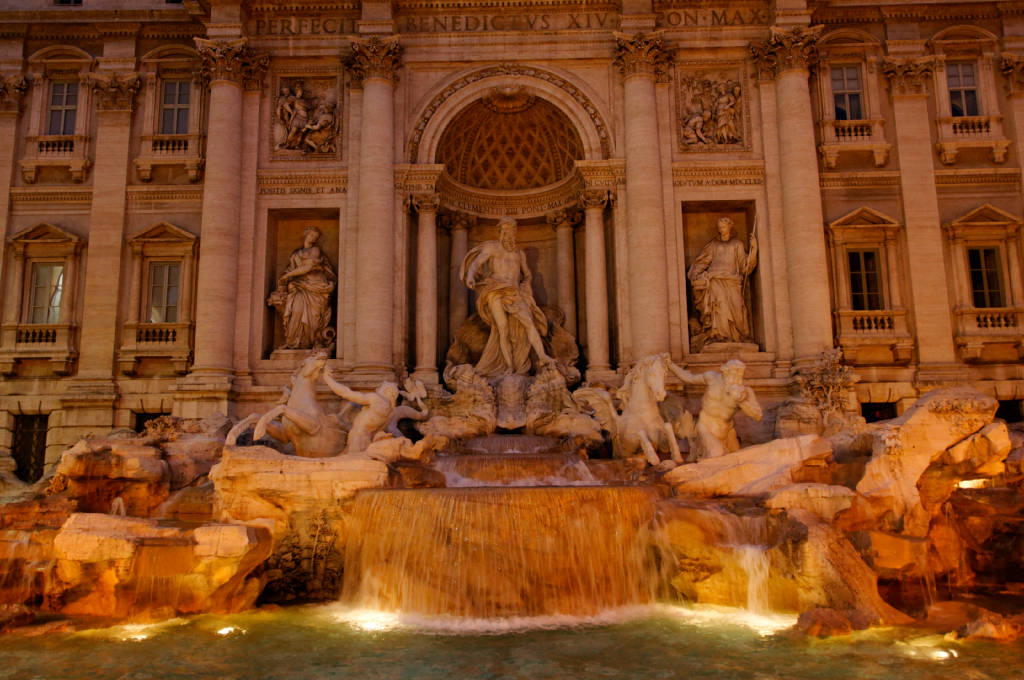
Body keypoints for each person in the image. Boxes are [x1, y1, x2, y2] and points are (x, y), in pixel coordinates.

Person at [458, 216, 554, 377]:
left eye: (513, 231)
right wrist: (470, 276)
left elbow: (528, 274)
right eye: (507, 230)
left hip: (515, 292)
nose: (510, 234)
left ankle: (543, 356)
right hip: (495, 290)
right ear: (500, 232)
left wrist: (526, 284)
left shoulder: (519, 253)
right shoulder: (492, 247)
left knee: (529, 322)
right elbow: (477, 263)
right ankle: (509, 367)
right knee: (502, 328)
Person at [668, 358, 762, 460]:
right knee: (717, 455)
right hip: (705, 428)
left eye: (739, 376)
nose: (736, 379)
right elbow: (689, 378)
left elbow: (757, 415)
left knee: (738, 461)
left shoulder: (745, 392)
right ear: (725, 372)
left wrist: (742, 401)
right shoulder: (712, 378)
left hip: (727, 433)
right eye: (733, 374)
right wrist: (670, 365)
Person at [687, 217, 757, 348]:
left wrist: (754, 250)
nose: (721, 229)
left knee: (737, 308)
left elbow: (745, 266)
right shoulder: (713, 245)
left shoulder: (737, 244)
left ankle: (737, 337)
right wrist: (696, 274)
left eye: (723, 227)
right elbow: (703, 261)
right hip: (715, 280)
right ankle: (719, 335)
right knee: (719, 308)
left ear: (729, 227)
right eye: (719, 227)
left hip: (732, 282)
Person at [268, 226, 336, 349]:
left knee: (314, 317)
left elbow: (307, 268)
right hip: (299, 287)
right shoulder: (296, 254)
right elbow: (291, 269)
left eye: (316, 237)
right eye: (311, 235)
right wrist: (284, 280)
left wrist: (288, 275)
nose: (313, 238)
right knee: (296, 310)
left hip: (316, 286)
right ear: (306, 235)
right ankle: (293, 341)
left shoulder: (315, 250)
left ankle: (311, 341)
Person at [322, 372, 400, 455]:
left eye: (380, 388)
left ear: (386, 390)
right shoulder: (390, 412)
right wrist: (341, 424)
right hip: (367, 440)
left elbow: (346, 393)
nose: (377, 390)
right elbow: (367, 426)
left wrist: (328, 380)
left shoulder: (375, 398)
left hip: (357, 439)